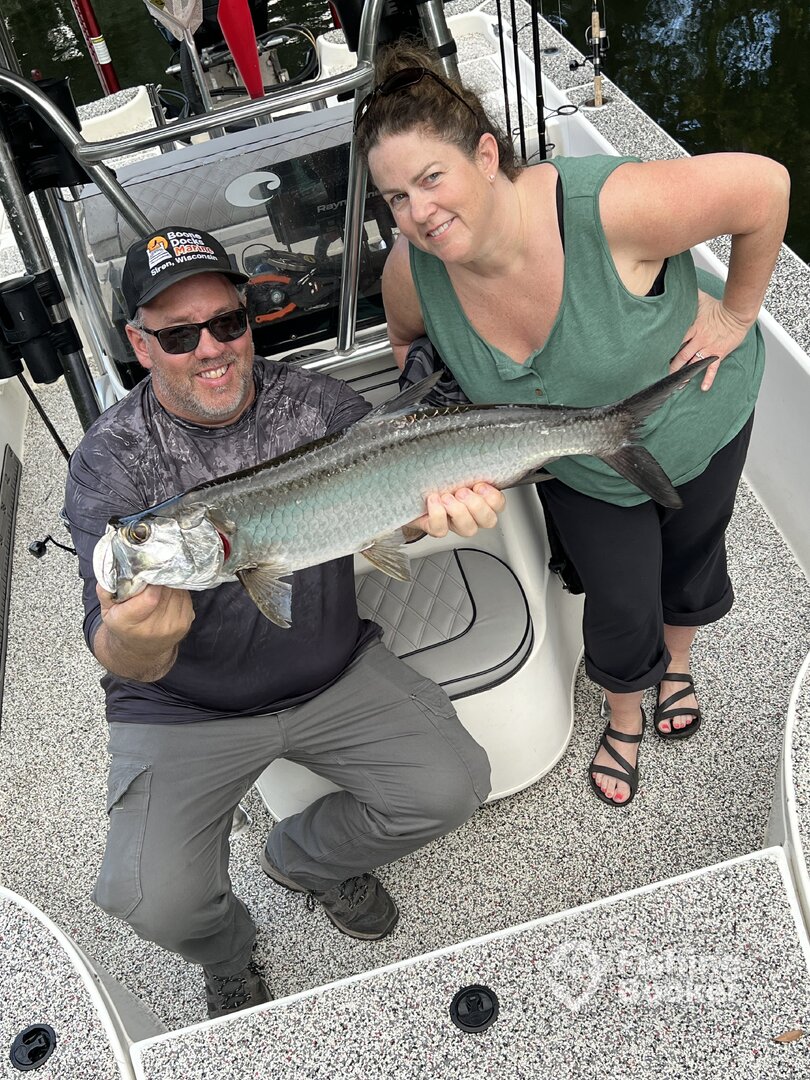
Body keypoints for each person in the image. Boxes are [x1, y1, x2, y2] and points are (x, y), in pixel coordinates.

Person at [63, 225, 503, 1018]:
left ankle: (304, 859)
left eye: (226, 322)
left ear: (247, 320)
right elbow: (119, 653)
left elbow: (387, 517)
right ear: (139, 343)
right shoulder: (111, 458)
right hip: (186, 703)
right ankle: (227, 952)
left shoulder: (318, 405)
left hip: (332, 669)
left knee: (454, 787)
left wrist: (426, 516)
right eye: (179, 334)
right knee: (154, 902)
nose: (210, 348)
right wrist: (138, 639)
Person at [354, 42, 790, 809]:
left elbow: (765, 188)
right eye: (395, 197)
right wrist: (442, 439)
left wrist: (734, 314)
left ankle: (677, 667)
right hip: (578, 465)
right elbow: (406, 348)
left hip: (701, 417)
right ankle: (625, 715)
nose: (417, 213)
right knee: (619, 596)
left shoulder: (610, 208)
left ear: (485, 155)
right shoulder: (412, 271)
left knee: (691, 554)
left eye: (431, 178)